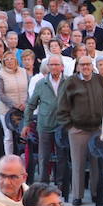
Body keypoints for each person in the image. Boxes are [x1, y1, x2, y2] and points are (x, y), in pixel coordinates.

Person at [55, 56, 103, 206]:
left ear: (92, 65)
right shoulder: (70, 82)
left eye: (88, 64)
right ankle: (77, 196)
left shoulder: (100, 80)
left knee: (96, 163)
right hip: (78, 129)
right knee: (78, 163)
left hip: (96, 129)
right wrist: (70, 126)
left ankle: (96, 194)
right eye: (82, 64)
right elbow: (62, 106)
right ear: (78, 66)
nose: (85, 67)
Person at [25, 55, 66, 184]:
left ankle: (60, 184)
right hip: (45, 125)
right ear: (48, 67)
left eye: (56, 64)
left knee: (62, 156)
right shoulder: (41, 83)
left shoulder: (68, 82)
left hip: (62, 125)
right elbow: (31, 105)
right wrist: (26, 123)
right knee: (44, 157)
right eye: (51, 65)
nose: (54, 67)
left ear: (62, 67)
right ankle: (43, 184)